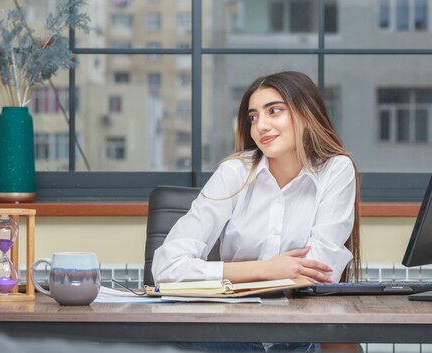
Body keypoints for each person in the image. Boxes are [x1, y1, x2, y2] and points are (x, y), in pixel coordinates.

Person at [152, 70, 361, 287]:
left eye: (274, 111)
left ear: (307, 116)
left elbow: (319, 273)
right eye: (253, 117)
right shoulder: (234, 172)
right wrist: (265, 269)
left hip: (304, 313)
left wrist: (237, 273)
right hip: (234, 313)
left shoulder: (336, 169)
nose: (260, 126)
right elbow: (166, 268)